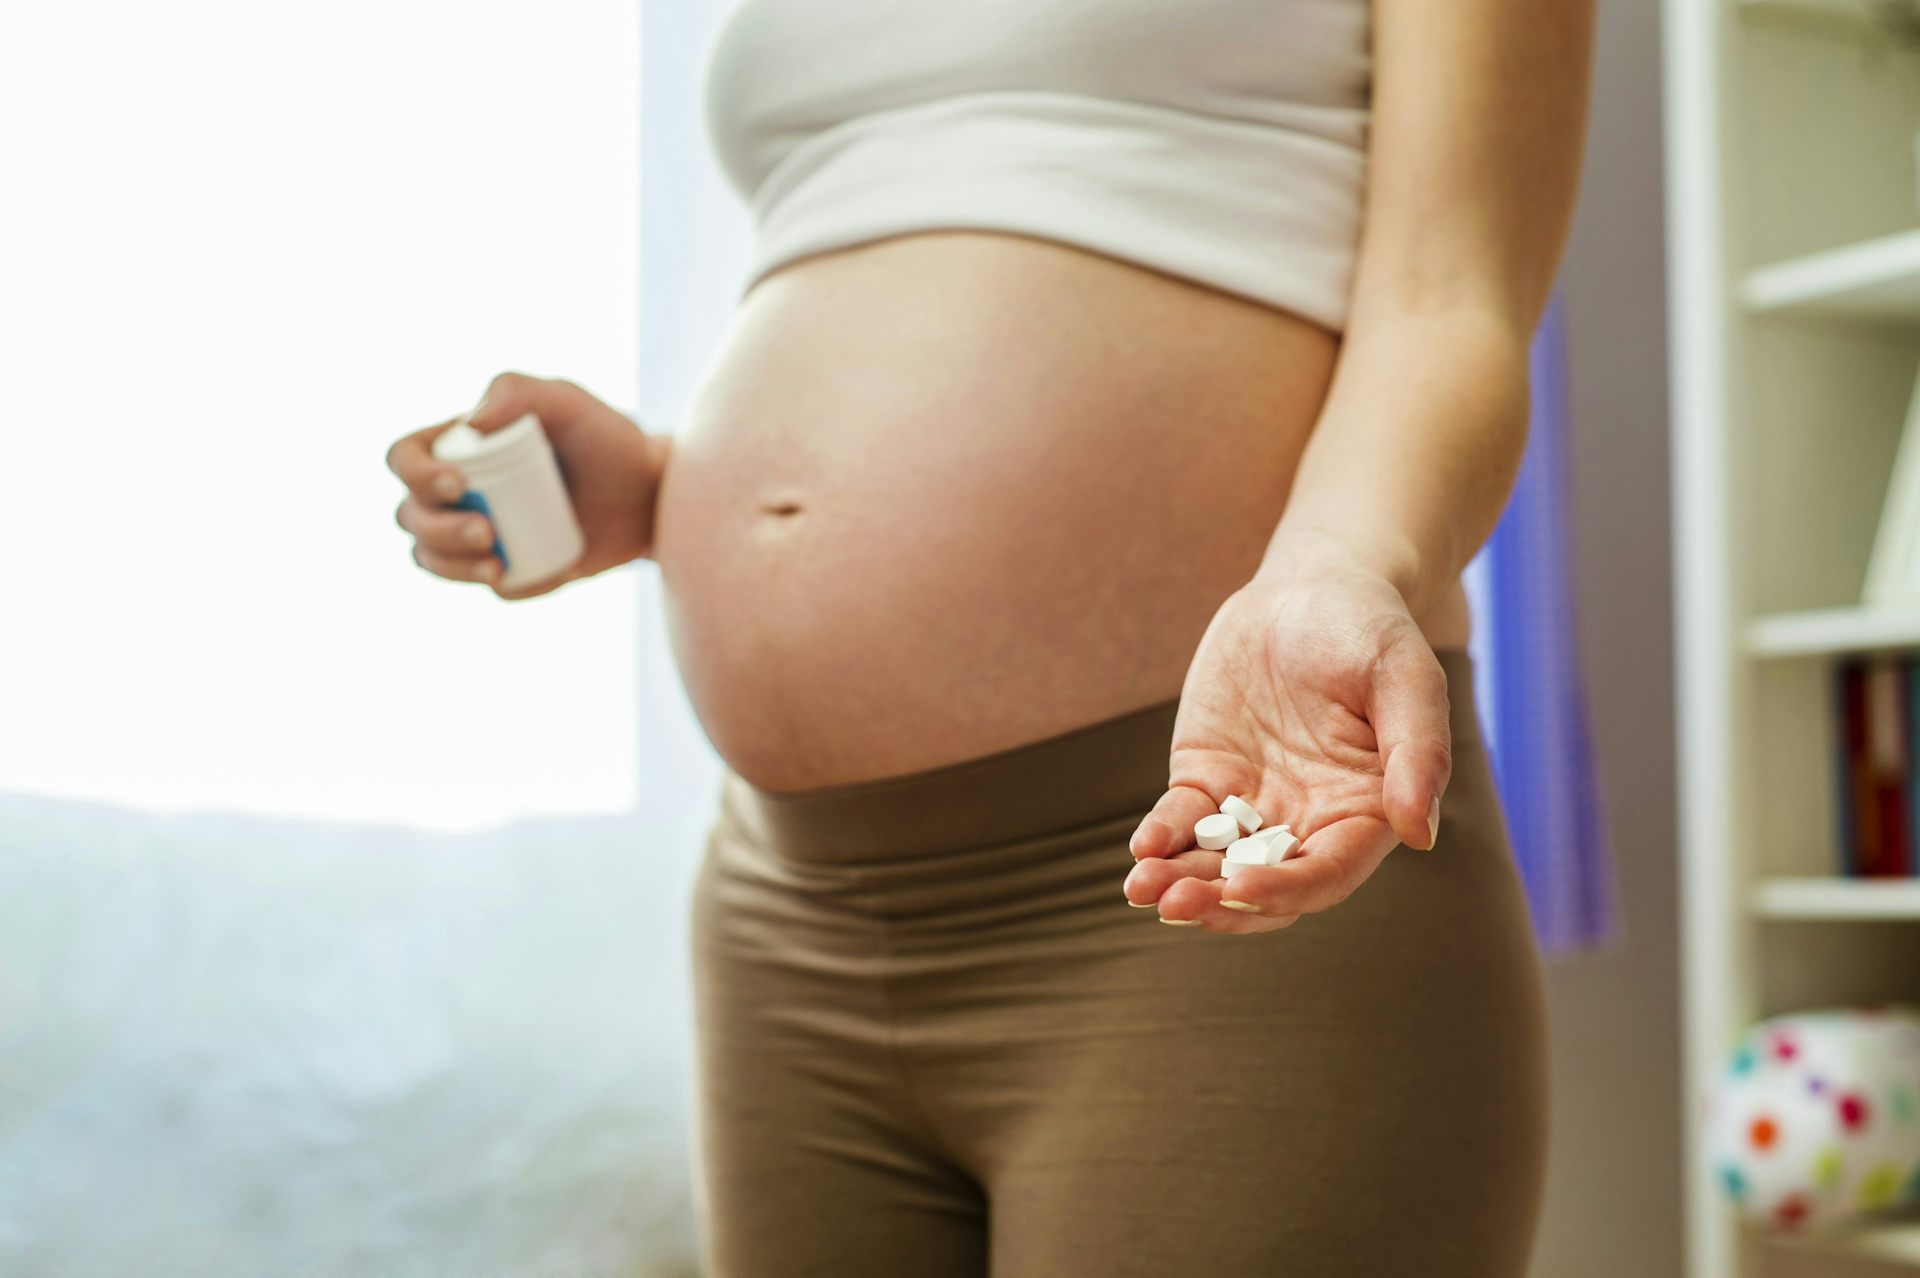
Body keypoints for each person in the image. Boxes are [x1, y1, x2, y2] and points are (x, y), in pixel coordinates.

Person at [386, 1, 1594, 1272]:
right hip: (785, 911)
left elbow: (1454, 299)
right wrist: (668, 487)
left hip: (1223, 857)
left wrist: (1343, 566)